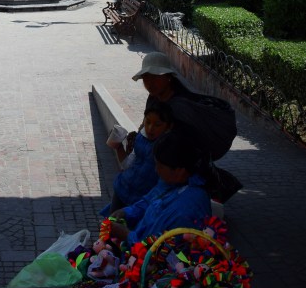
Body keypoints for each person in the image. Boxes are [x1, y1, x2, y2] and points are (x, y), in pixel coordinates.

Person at [130, 52, 241, 203]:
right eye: (146, 77)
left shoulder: (181, 107)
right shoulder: (153, 99)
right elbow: (146, 126)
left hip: (179, 173)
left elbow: (186, 147)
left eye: (156, 76)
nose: (150, 82)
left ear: (169, 77)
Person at [107, 130, 211, 245]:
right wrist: (127, 212)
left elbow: (155, 249)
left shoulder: (184, 211)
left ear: (179, 171)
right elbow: (149, 200)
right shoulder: (171, 181)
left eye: (160, 166)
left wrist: (127, 235)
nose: (156, 170)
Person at [100, 99, 173, 216]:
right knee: (110, 227)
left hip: (141, 201)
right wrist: (119, 147)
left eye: (157, 125)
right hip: (122, 189)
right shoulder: (140, 137)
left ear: (169, 127)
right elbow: (127, 165)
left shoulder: (167, 148)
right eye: (147, 122)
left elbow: (163, 185)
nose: (150, 128)